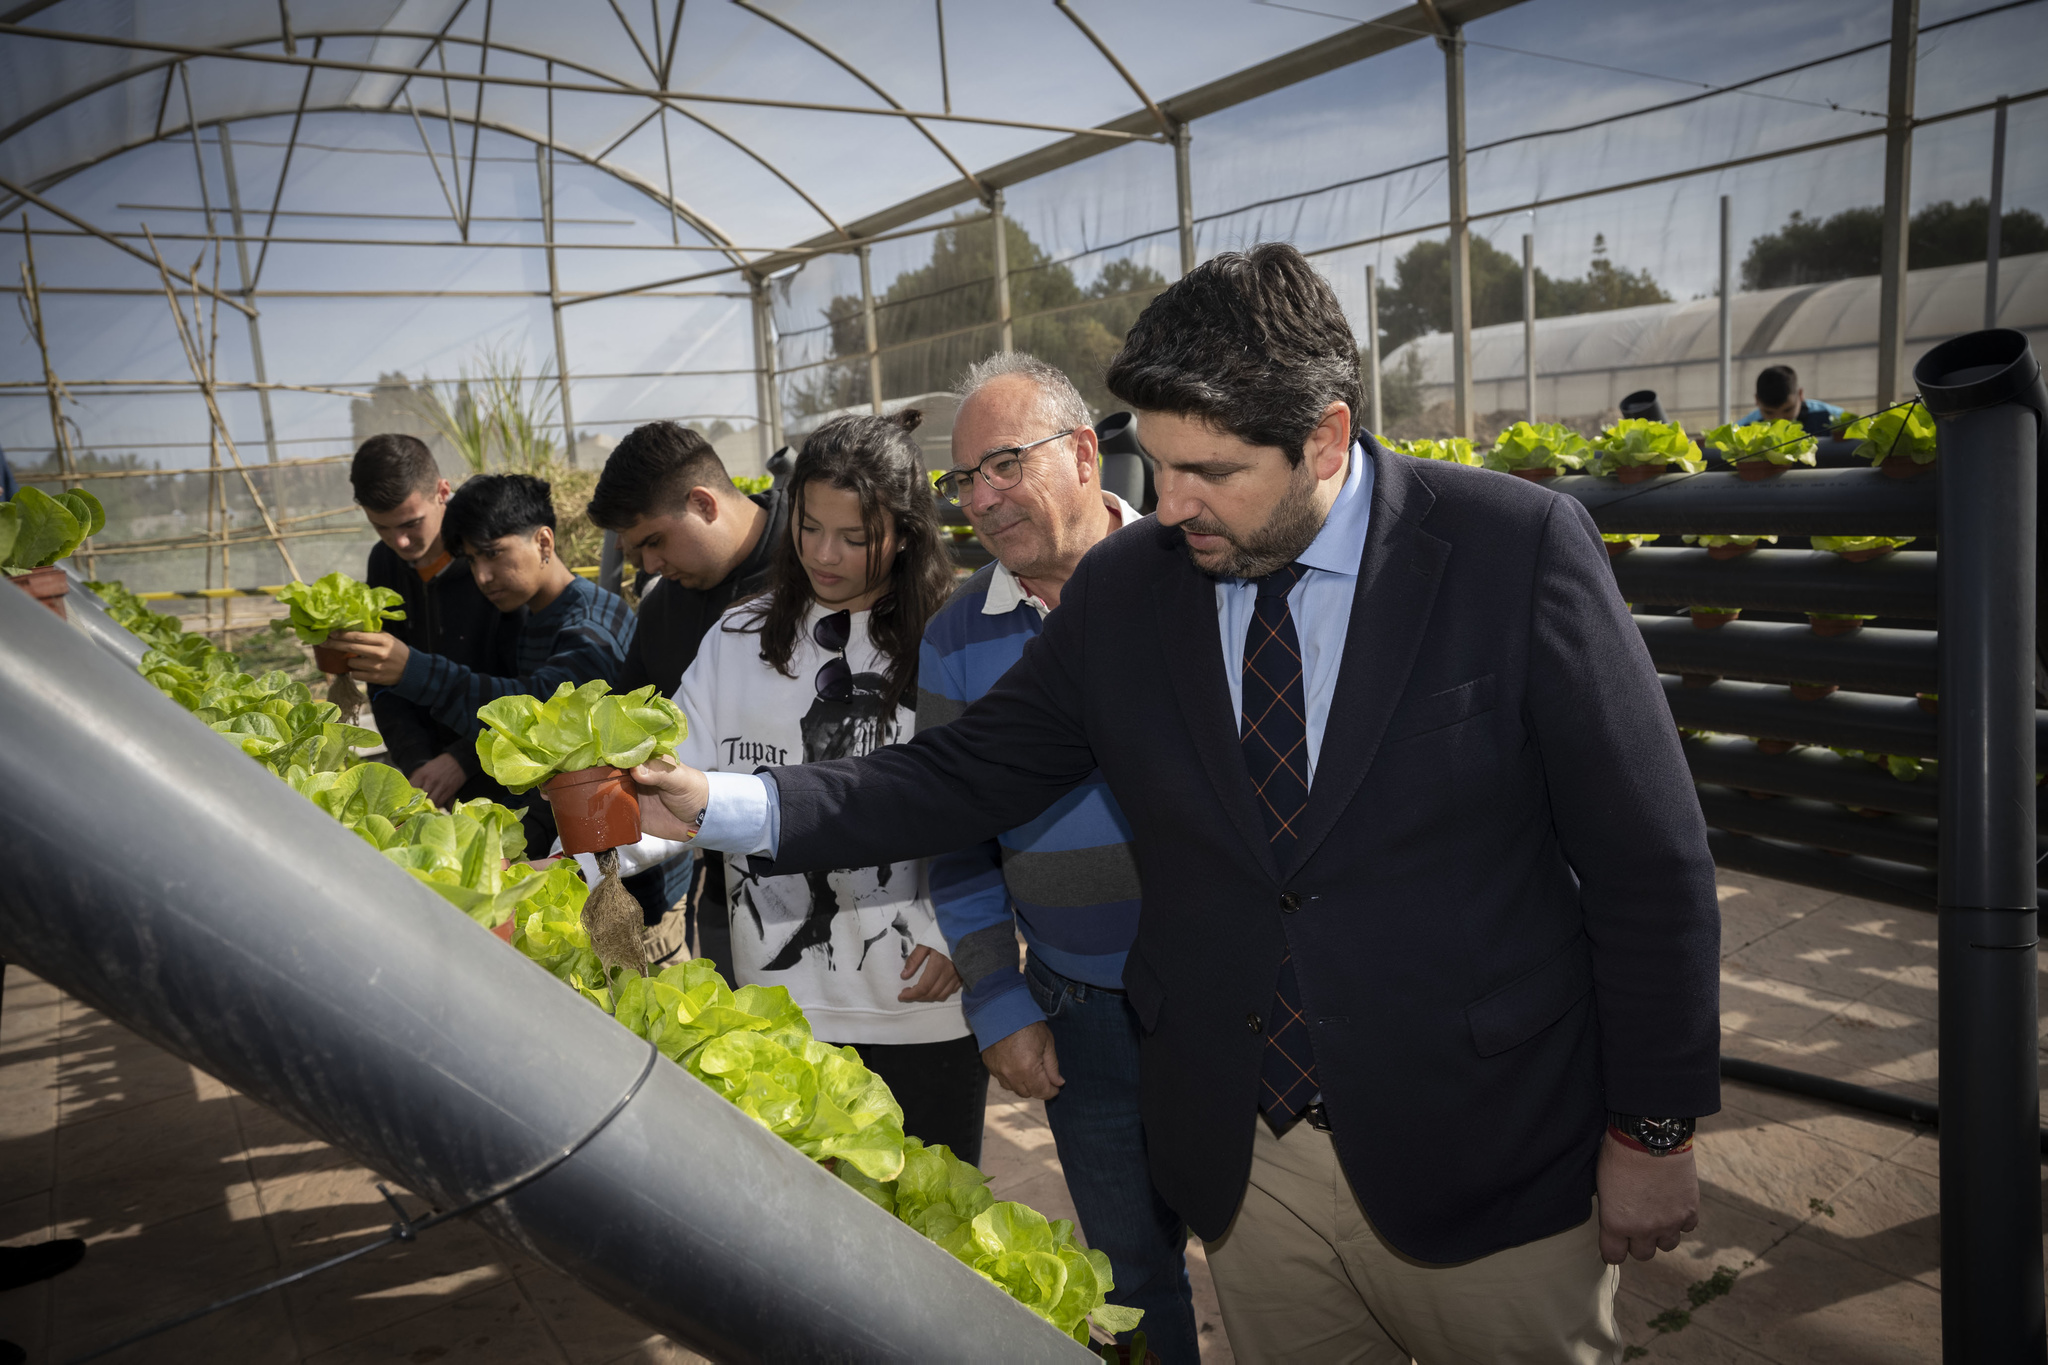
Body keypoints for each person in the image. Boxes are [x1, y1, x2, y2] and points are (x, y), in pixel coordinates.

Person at [634, 244, 1720, 1362]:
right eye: (1154, 465)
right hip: (1253, 1163)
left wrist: (1651, 1128)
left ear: (1326, 439)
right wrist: (719, 805)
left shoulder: (1512, 550)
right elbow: (961, 775)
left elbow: (1648, 865)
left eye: (1208, 471)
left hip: (1485, 1143)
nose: (1170, 505)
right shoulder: (1132, 584)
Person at [604, 410, 985, 1162]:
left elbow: (992, 804)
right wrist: (584, 851)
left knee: (933, 1235)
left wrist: (962, 938)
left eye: (854, 536)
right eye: (809, 528)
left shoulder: (952, 636)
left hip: (919, 1004)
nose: (824, 554)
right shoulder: (738, 637)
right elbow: (668, 797)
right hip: (778, 1002)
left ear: (906, 532)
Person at [922, 352, 1197, 1362]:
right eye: (964, 480)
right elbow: (953, 828)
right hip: (1081, 1014)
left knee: (1276, 1253)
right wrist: (998, 999)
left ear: (1084, 452)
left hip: (1230, 996)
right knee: (1129, 1281)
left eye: (1004, 463)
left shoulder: (1195, 567)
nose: (982, 499)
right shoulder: (959, 635)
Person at [332, 473, 635, 851]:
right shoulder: (533, 614)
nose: (482, 576)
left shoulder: (591, 624)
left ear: (543, 541)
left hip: (622, 859)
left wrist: (416, 671)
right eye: (473, 560)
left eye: (493, 553)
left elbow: (538, 710)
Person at [586, 423, 790, 971]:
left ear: (703, 503)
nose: (649, 565)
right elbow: (628, 737)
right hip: (728, 887)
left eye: (654, 541)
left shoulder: (816, 567)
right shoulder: (663, 608)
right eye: (636, 551)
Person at [347, 435, 520, 810]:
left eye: (411, 523)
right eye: (382, 528)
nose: (401, 542)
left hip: (513, 772)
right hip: (429, 778)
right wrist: (417, 763)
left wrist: (463, 759)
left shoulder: (495, 563)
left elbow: (531, 691)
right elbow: (383, 682)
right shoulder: (384, 563)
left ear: (443, 491)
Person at [1741, 363, 1845, 437]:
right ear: (1757, 400)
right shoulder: (1744, 428)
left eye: (1787, 410)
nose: (1780, 420)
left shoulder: (1831, 417)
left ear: (1800, 394)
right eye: (1769, 412)